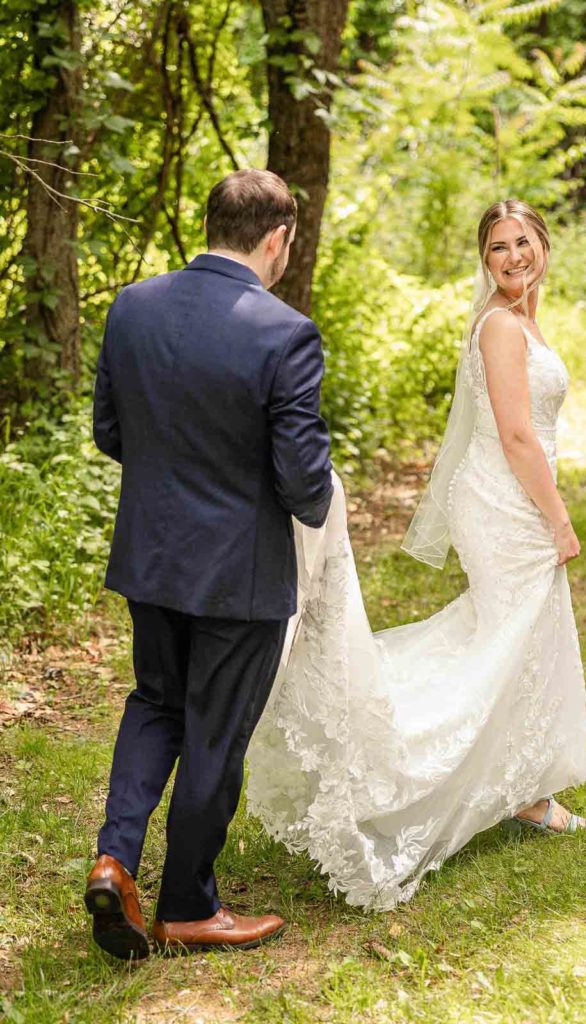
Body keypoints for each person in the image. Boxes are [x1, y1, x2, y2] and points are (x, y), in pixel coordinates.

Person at [247, 199, 586, 911]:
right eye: (497, 247)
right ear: (483, 259)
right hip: (505, 502)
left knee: (516, 638)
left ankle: (526, 791)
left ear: (544, 246)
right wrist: (558, 518)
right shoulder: (501, 326)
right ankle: (405, 767)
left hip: (508, 492)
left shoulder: (524, 319)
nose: (512, 257)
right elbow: (516, 435)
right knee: (502, 640)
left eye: (522, 242)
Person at [86, 169, 333, 958]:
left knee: (155, 701)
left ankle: (114, 857)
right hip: (239, 574)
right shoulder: (284, 332)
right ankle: (187, 904)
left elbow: (110, 432)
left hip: (151, 556)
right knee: (215, 733)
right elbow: (301, 483)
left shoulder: (133, 306)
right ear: (277, 239)